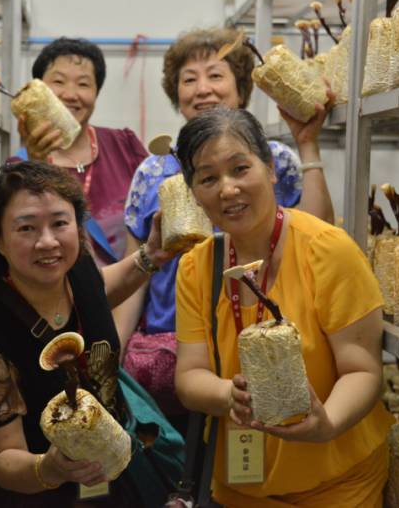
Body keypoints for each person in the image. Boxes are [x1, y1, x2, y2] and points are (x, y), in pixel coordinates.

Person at [173, 107, 394, 507]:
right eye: (208, 178)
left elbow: (362, 369)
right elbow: (190, 376)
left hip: (337, 487)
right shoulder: (196, 267)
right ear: (194, 194)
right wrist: (228, 395)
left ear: (271, 169)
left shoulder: (327, 250)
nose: (227, 189)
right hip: (240, 488)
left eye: (240, 169)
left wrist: (327, 423)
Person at [116, 27, 334, 419]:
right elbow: (137, 271)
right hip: (169, 348)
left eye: (215, 75)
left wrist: (307, 145)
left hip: (261, 339)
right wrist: (112, 354)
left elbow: (318, 236)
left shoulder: (273, 160)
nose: (203, 89)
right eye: (189, 79)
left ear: (241, 87)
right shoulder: (152, 171)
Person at [0, 161, 175, 507]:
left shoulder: (77, 271)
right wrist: (50, 468)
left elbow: (100, 292)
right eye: (27, 228)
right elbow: (2, 459)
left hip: (113, 486)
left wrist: (150, 256)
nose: (47, 241)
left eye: (59, 223)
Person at [15, 37, 148, 266]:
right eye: (58, 81)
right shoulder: (18, 168)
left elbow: (152, 214)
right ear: (38, 88)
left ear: (97, 92)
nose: (70, 94)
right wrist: (37, 164)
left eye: (83, 84)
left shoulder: (124, 145)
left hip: (132, 282)